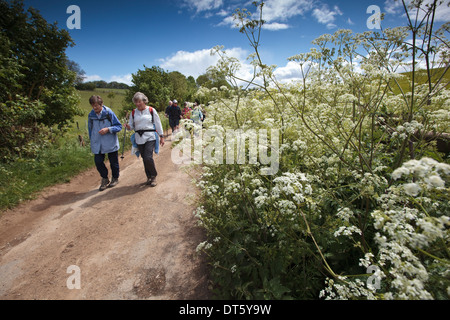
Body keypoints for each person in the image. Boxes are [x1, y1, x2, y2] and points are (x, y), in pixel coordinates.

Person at [124, 92, 165, 187]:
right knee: (144, 158)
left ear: (144, 101)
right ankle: (149, 177)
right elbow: (131, 126)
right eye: (136, 102)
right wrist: (127, 126)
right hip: (139, 137)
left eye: (139, 102)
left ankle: (153, 175)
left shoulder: (151, 110)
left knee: (148, 157)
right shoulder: (133, 112)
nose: (137, 104)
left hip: (150, 136)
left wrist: (161, 136)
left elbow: (158, 123)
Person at [88, 95, 122, 191]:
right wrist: (92, 141)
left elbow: (119, 126)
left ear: (101, 104)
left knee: (113, 162)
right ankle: (105, 178)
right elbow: (90, 129)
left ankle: (115, 178)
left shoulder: (108, 113)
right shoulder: (91, 115)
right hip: (97, 143)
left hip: (110, 142)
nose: (95, 108)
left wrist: (108, 129)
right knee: (98, 162)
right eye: (93, 106)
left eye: (96, 106)